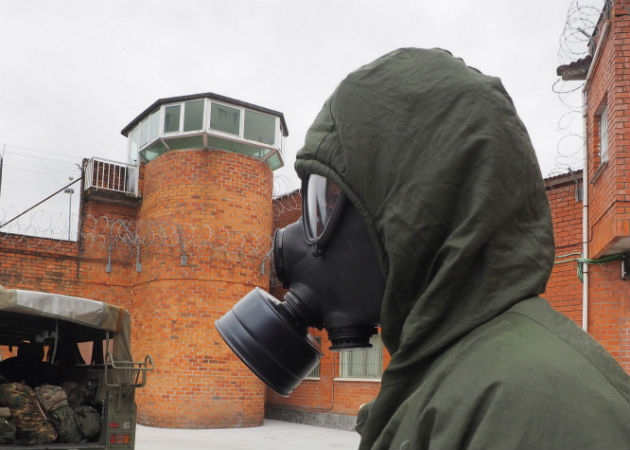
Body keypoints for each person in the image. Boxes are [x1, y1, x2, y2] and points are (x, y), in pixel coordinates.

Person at [292, 48, 630, 450]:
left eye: (328, 204)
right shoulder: (445, 376)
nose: (308, 240)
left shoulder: (532, 405)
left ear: (416, 204)